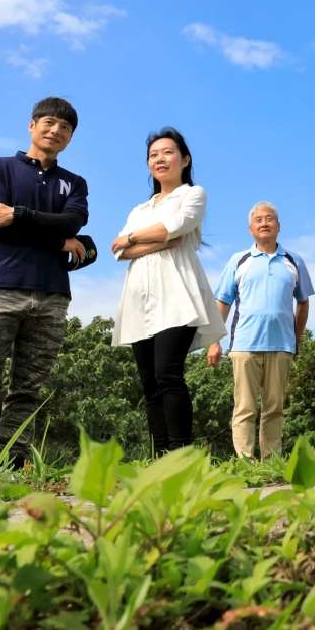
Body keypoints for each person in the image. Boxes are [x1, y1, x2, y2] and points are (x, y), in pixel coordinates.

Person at [0, 96, 98, 467]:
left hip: (52, 296)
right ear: (32, 126)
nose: (56, 130)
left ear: (71, 137)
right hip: (0, 289)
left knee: (27, 390)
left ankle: (11, 465)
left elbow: (72, 223)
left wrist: (17, 214)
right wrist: (57, 238)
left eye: (65, 128)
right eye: (48, 122)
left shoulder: (74, 183)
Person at [109, 127, 222, 456]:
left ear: (184, 159)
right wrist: (147, 240)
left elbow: (174, 228)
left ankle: (179, 453)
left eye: (167, 152)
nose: (160, 159)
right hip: (138, 298)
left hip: (177, 292)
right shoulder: (139, 210)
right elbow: (118, 250)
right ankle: (159, 456)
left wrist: (135, 238)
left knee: (168, 373)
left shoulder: (192, 194)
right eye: (153, 155)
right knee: (149, 383)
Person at [206, 202, 314, 459]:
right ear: (250, 228)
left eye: (270, 219)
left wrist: (296, 339)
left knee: (274, 408)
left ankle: (271, 461)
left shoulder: (293, 261)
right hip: (244, 345)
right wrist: (214, 341)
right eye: (259, 220)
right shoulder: (238, 260)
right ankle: (245, 462)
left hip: (281, 345)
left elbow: (303, 302)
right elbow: (222, 303)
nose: (264, 223)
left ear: (279, 226)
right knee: (244, 407)